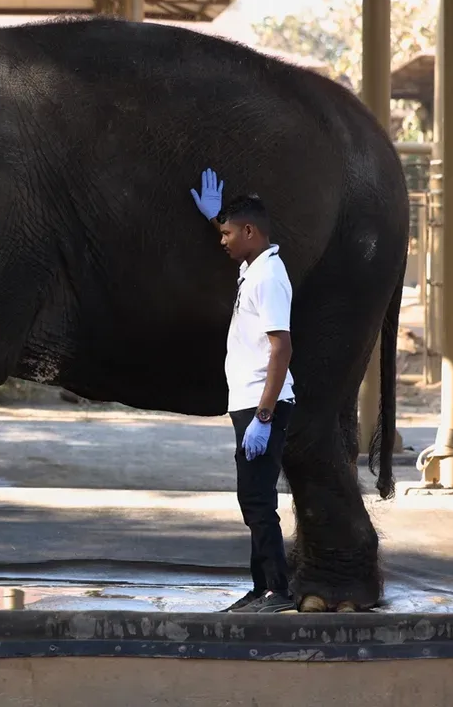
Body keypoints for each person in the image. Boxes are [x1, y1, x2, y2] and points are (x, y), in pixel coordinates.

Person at [190, 168, 297, 614]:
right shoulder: (255, 268)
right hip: (251, 402)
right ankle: (261, 589)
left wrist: (264, 416)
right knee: (252, 499)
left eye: (229, 232)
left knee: (258, 500)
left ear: (250, 231)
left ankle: (277, 591)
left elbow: (281, 347)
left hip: (262, 404)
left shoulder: (268, 277)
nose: (223, 240)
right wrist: (215, 217)